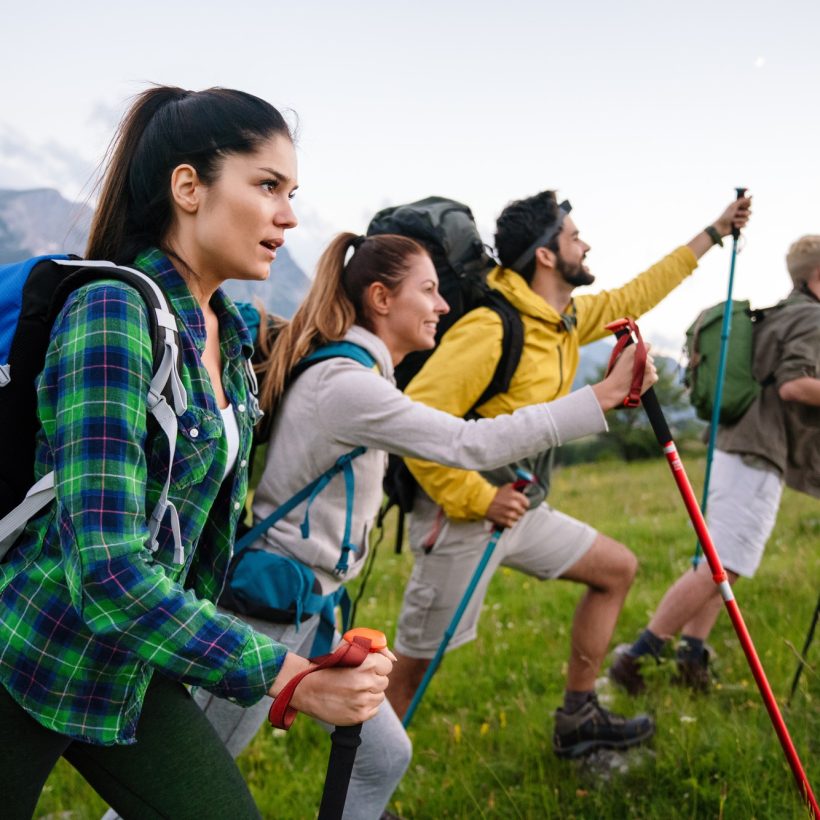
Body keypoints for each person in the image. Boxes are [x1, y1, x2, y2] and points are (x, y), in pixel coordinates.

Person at [0, 86, 394, 820]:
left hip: (130, 662)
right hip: (29, 649)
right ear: (189, 187)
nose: (289, 214)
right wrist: (288, 676)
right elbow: (108, 570)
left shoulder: (231, 335)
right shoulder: (113, 311)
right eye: (268, 185)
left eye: (293, 191)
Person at [196, 230, 658, 818]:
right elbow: (469, 443)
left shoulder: (361, 374)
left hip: (306, 610)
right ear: (382, 299)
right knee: (188, 789)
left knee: (383, 756)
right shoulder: (347, 384)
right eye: (430, 290)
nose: (443, 304)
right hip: (270, 612)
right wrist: (601, 397)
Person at [384, 189, 752, 760]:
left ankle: (578, 717)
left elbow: (640, 292)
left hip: (521, 509)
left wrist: (715, 230)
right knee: (411, 668)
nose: (586, 243)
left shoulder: (563, 321)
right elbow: (413, 426)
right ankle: (355, 793)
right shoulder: (491, 329)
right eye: (574, 235)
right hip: (459, 516)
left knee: (616, 570)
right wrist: (478, 498)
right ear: (547, 256)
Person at [609, 234, 820, 694]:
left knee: (720, 556)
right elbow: (793, 386)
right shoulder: (812, 318)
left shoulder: (782, 312)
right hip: (757, 448)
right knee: (725, 564)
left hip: (734, 442)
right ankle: (639, 656)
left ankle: (692, 656)